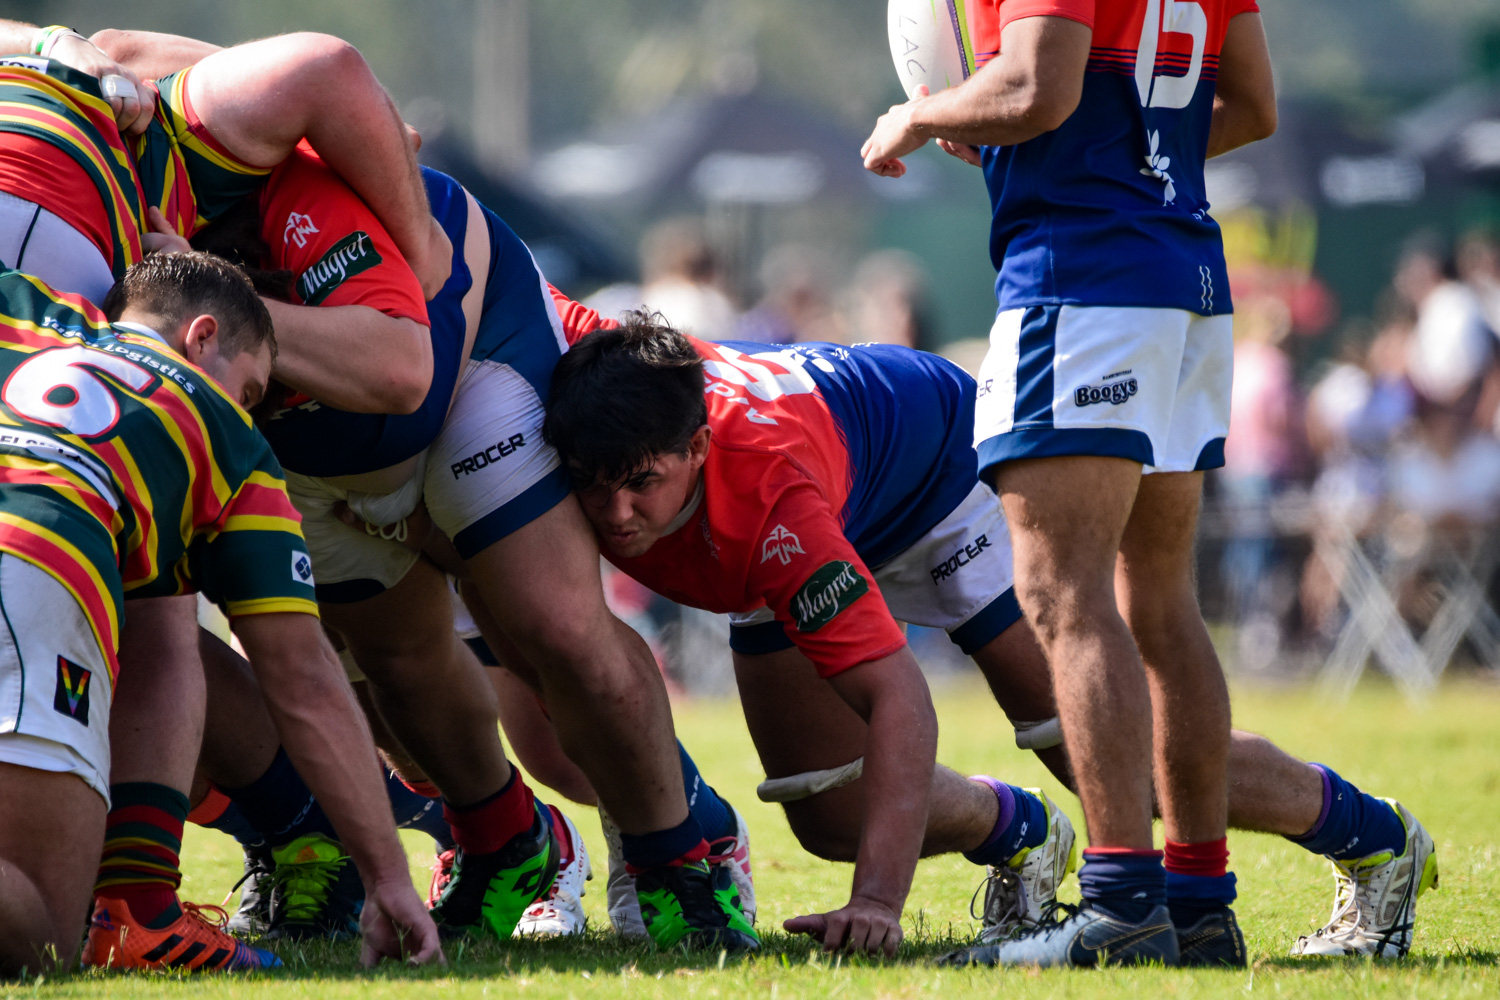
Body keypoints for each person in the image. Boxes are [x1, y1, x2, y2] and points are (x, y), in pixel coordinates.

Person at [544, 316, 1439, 961]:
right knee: (827, 815)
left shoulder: (771, 504)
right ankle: (1018, 833)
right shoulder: (608, 378)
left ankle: (1377, 840)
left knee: (1096, 755)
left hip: (939, 487)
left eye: (640, 484)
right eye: (595, 487)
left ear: (697, 446)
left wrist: (877, 904)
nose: (617, 515)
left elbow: (899, 695)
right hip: (823, 493)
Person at [861, 0, 1434, 966]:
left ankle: (1122, 906)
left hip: (1082, 277)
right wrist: (1094, 146)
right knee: (1160, 604)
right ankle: (1198, 902)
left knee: (1062, 597)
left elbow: (1039, 89)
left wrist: (927, 115)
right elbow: (1250, 105)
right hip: (1185, 275)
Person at [177, 141, 757, 950]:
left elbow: (331, 78)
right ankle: (505, 844)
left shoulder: (228, 129)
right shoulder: (112, 213)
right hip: (305, 435)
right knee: (391, 668)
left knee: (552, 627)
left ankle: (680, 854)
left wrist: (244, 308)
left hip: (466, 367)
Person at [0, 254, 440, 975]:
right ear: (201, 337)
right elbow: (304, 678)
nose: (251, 410)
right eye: (253, 389)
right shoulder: (233, 444)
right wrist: (389, 876)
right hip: (36, 569)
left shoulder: (24, 312)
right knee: (43, 932)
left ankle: (143, 912)